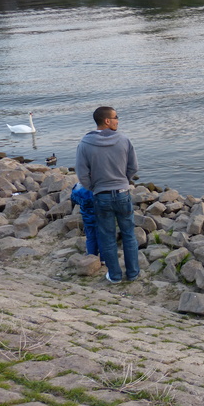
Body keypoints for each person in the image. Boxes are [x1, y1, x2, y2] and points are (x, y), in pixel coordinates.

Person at [75, 107, 139, 283]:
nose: (118, 120)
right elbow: (133, 168)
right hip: (123, 193)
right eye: (116, 117)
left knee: (107, 236)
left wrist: (95, 187)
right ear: (107, 121)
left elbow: (82, 174)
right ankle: (133, 273)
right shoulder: (124, 140)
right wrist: (123, 181)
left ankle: (115, 276)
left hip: (101, 195)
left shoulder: (85, 144)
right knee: (128, 235)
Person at [70, 182, 99, 256]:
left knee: (90, 237)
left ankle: (91, 255)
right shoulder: (97, 185)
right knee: (101, 238)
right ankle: (103, 258)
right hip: (100, 216)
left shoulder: (79, 187)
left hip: (87, 216)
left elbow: (73, 198)